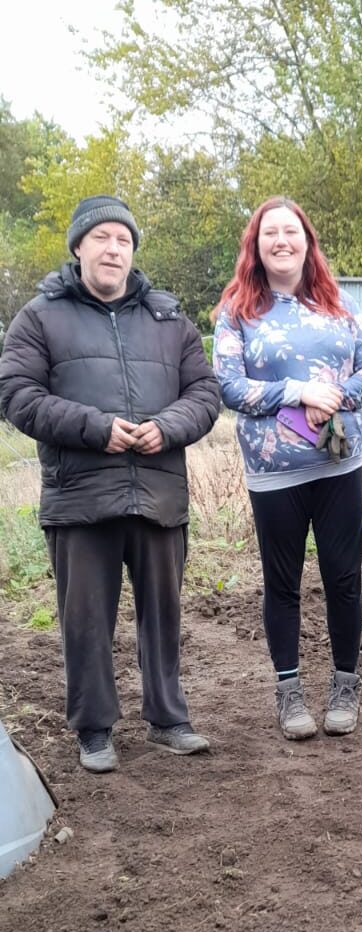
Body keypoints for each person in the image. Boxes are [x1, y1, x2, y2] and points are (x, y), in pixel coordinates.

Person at [0, 194, 220, 773]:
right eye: (101, 238)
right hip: (80, 497)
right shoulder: (40, 316)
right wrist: (97, 429)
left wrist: (165, 428)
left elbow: (205, 395)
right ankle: (94, 730)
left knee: (164, 616)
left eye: (123, 240)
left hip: (158, 492)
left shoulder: (169, 319)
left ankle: (169, 719)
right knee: (85, 621)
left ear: (133, 252)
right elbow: (17, 396)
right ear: (78, 247)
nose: (113, 249)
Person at [213, 197, 362, 740]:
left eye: (292, 232)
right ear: (256, 248)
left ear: (308, 242)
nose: (282, 241)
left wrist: (333, 396)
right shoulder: (238, 311)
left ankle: (344, 686)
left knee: (344, 579)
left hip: (339, 469)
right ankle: (289, 693)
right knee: (282, 584)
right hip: (274, 474)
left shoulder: (339, 305)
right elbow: (229, 387)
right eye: (271, 234)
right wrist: (298, 390)